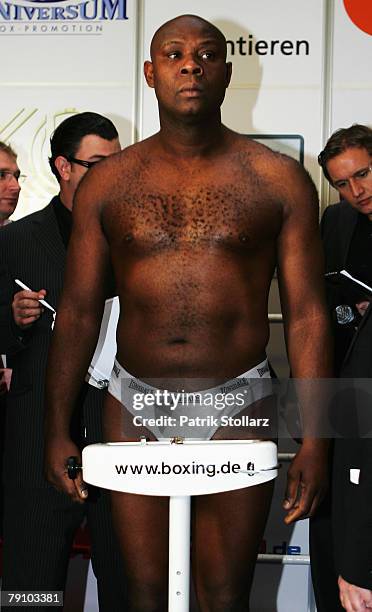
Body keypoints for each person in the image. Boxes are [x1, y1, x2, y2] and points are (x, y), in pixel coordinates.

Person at [45, 15, 332, 611]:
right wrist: (57, 428)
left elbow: (306, 315)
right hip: (134, 401)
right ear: (150, 73)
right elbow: (76, 314)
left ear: (227, 72)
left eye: (206, 55)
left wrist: (317, 437)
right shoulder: (109, 185)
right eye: (173, 54)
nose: (190, 65)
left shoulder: (277, 179)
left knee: (224, 594)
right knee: (145, 592)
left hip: (240, 400)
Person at [0, 112, 126, 611]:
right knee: (32, 588)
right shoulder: (15, 240)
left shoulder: (132, 241)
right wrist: (13, 318)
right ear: (63, 167)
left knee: (127, 580)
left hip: (120, 432)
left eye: (117, 163)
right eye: (97, 164)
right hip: (34, 438)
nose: (111, 174)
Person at [310, 124, 372, 612]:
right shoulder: (334, 223)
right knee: (330, 541)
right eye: (343, 183)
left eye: (365, 174)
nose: (358, 190)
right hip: (338, 400)